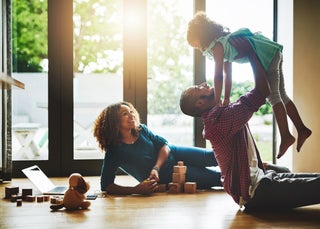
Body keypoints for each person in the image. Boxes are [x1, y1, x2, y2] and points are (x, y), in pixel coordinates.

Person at [179, 36, 320, 211]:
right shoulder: (219, 121)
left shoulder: (218, 114)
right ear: (200, 103)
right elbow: (262, 91)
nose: (204, 84)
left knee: (304, 176)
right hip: (256, 192)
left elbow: (227, 80)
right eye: (198, 88)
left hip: (257, 183)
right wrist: (252, 54)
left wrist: (226, 57)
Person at [186, 11, 312, 159]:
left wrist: (216, 101)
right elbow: (228, 74)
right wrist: (225, 98)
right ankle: (302, 129)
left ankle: (286, 136)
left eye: (198, 46)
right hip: (272, 53)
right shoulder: (222, 42)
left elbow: (219, 76)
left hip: (266, 56)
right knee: (282, 94)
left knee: (274, 96)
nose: (200, 50)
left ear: (202, 37)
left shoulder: (217, 47)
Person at [93, 101, 223, 195]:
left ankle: (243, 160)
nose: (131, 115)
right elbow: (106, 185)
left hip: (175, 153)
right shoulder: (114, 151)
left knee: (215, 156)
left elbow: (164, 146)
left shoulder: (141, 130)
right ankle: (243, 184)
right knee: (218, 178)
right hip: (169, 176)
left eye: (131, 111)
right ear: (114, 122)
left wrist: (155, 168)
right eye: (125, 114)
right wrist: (135, 190)